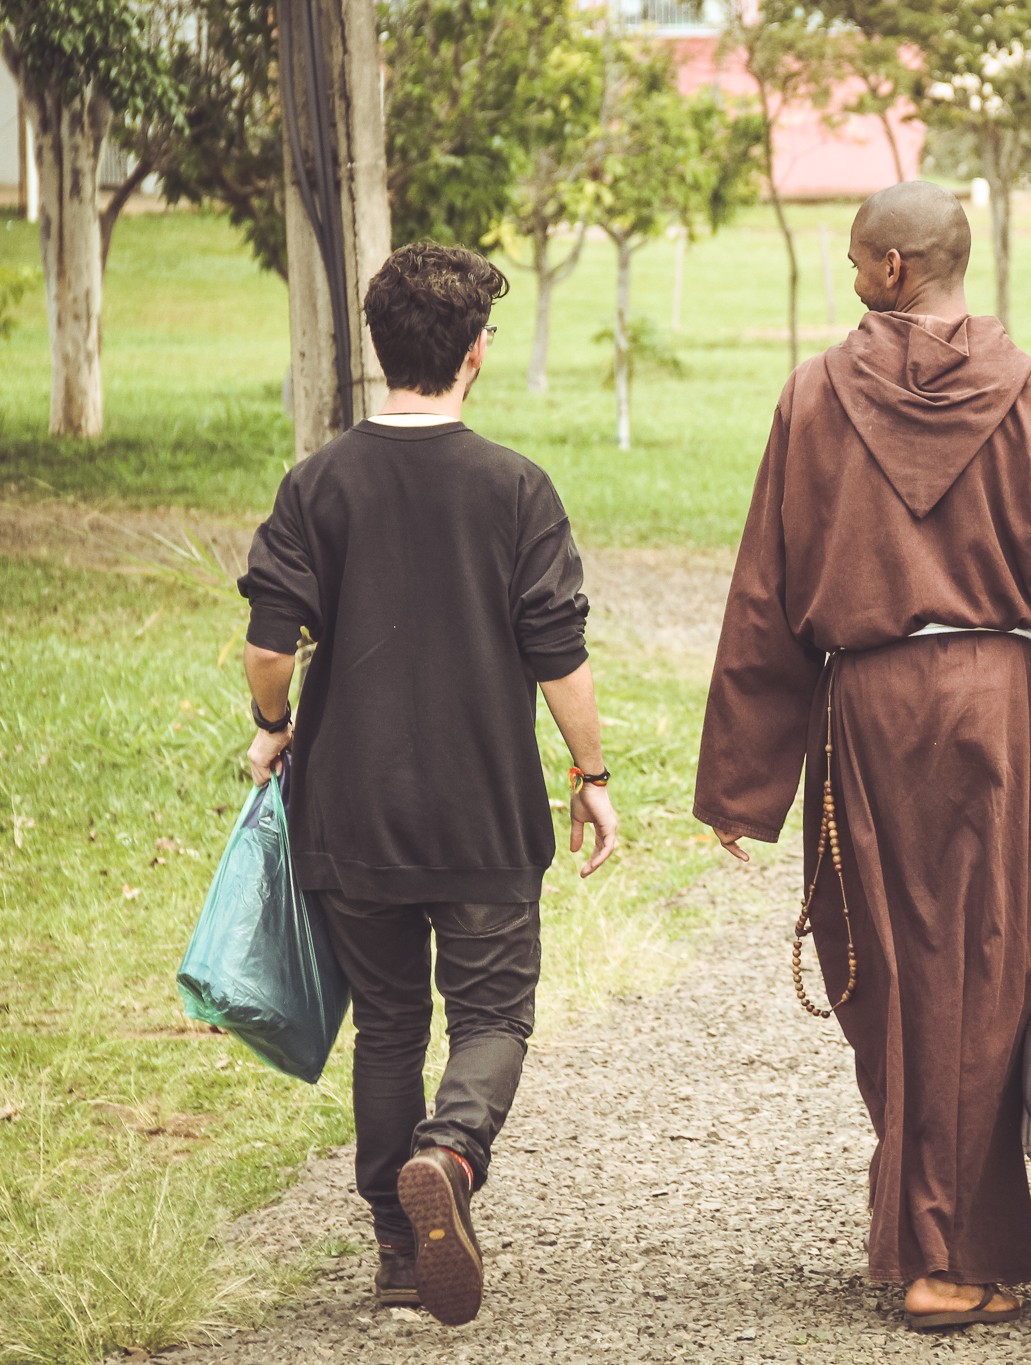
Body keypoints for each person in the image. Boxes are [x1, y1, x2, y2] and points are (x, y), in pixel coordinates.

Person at [694, 181, 1031, 1330]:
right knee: (985, 978)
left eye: (857, 258)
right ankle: (949, 1248)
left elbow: (766, 594)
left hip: (863, 714)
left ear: (891, 272)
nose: (850, 274)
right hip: (995, 713)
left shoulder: (814, 399)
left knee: (889, 984)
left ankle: (930, 1240)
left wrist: (740, 782)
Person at [236, 242, 619, 1327]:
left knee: (391, 1022)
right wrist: (591, 776)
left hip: (349, 812)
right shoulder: (512, 488)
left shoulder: (317, 482)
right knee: (493, 1011)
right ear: (474, 353)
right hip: (484, 811)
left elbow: (269, 647)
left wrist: (274, 730)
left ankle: (399, 1256)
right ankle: (449, 1156)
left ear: (380, 348)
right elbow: (559, 656)